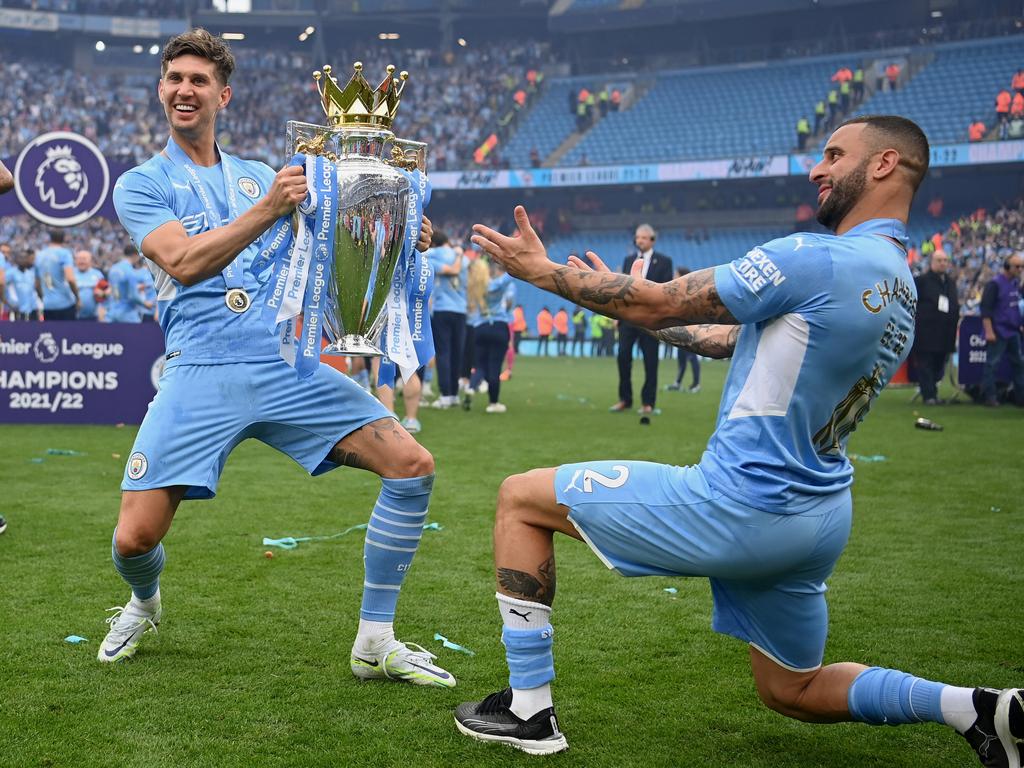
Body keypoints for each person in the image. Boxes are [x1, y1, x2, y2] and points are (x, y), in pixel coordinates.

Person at [455, 115, 1024, 765]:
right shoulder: (897, 280)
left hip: (743, 504)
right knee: (794, 688)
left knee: (520, 498)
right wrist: (616, 300)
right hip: (818, 515)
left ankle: (529, 712)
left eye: (835, 154)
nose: (818, 168)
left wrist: (544, 271)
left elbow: (662, 301)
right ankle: (977, 709)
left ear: (886, 164)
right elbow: (730, 338)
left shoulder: (816, 257)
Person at [98, 29, 455, 690]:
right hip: (200, 369)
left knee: (412, 466)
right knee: (134, 540)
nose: (185, 89)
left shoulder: (262, 174)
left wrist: (397, 233)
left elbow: (332, 244)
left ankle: (375, 642)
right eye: (175, 78)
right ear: (161, 90)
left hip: (283, 364)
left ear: (222, 95)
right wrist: (269, 208)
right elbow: (184, 261)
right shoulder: (143, 184)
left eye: (199, 80)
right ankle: (144, 605)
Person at [609, 224, 672, 416]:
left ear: (652, 240)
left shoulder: (664, 262)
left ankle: (648, 403)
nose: (639, 241)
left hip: (650, 320)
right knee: (623, 357)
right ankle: (625, 399)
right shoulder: (628, 260)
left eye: (643, 238)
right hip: (628, 319)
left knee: (650, 361)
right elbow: (623, 289)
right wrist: (618, 315)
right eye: (637, 237)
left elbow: (666, 289)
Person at [467, 257, 516, 413]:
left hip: (480, 327)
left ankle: (471, 387)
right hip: (499, 326)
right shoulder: (495, 285)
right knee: (494, 366)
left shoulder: (473, 287)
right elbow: (510, 276)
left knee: (480, 365)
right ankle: (493, 403)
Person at [911, 249, 958, 404]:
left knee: (939, 366)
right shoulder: (921, 281)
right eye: (939, 260)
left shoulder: (950, 283)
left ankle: (933, 394)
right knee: (926, 364)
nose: (943, 263)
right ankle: (928, 396)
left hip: (945, 334)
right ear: (932, 262)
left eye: (945, 260)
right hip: (926, 333)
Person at [426, 231, 467, 409]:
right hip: (461, 310)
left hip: (442, 309)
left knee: (443, 352)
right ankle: (454, 394)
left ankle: (445, 395)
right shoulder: (463, 258)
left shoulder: (432, 256)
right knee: (457, 353)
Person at [979, 254, 1024, 406]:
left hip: (1013, 331)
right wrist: (989, 331)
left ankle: (1020, 397)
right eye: (1017, 266)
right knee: (992, 364)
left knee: (1019, 364)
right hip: (998, 330)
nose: (1020, 269)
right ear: (1007, 266)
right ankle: (989, 396)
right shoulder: (995, 284)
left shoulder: (1016, 283)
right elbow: (986, 309)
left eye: (1022, 266)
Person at [35, 229, 79, 321]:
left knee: (52, 334)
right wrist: (77, 297)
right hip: (65, 304)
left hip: (47, 305)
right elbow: (70, 278)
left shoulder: (39, 255)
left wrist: (43, 298)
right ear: (64, 239)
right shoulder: (64, 253)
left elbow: (37, 283)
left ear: (50, 239)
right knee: (67, 334)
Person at [105, 245, 147, 323]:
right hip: (127, 314)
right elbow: (133, 296)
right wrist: (145, 304)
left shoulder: (113, 268)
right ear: (135, 255)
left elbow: (113, 289)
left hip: (112, 312)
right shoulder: (130, 271)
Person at [73, 250, 108, 321]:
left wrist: (103, 294)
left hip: (93, 316)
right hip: (74, 316)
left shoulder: (98, 274)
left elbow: (107, 291)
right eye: (79, 259)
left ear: (90, 261)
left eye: (84, 259)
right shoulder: (71, 274)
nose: (81, 262)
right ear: (75, 261)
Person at [7, 249, 41, 321]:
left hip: (33, 309)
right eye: (20, 257)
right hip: (20, 310)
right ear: (16, 259)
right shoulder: (11, 272)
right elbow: (3, 285)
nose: (23, 259)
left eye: (25, 257)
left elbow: (37, 288)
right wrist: (9, 302)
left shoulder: (32, 272)